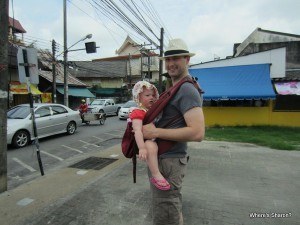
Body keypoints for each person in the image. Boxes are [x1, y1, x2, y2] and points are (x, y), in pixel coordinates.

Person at [142, 39, 205, 225]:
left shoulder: (186, 90)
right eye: (167, 59)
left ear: (187, 60)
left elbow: (197, 133)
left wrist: (155, 132)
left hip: (169, 162)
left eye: (176, 58)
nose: (170, 64)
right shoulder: (177, 87)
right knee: (171, 210)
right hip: (166, 160)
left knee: (166, 214)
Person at [130, 81, 171, 191]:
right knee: (151, 146)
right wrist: (142, 148)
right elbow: (137, 131)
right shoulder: (138, 112)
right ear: (138, 97)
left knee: (153, 146)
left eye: (153, 95)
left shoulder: (152, 111)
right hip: (145, 141)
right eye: (147, 95)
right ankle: (156, 175)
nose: (151, 97)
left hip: (155, 137)